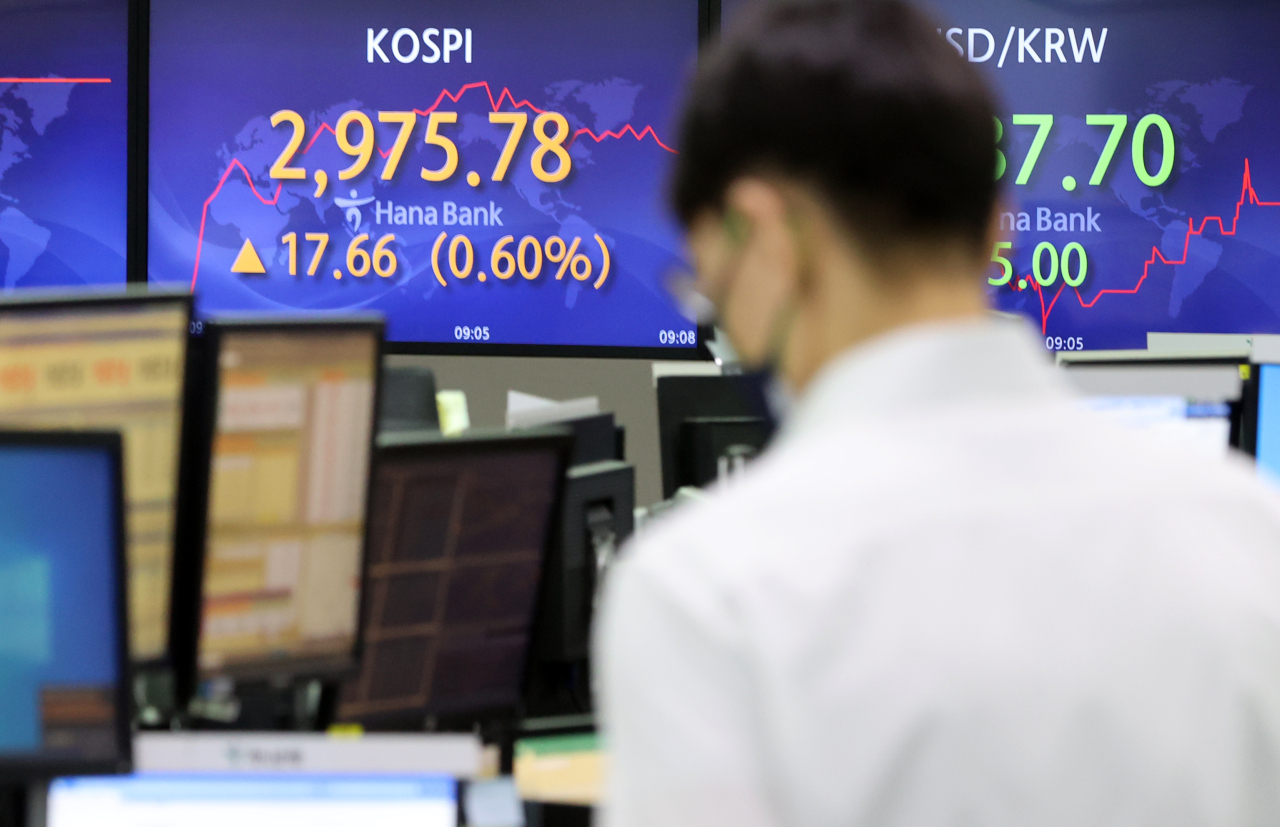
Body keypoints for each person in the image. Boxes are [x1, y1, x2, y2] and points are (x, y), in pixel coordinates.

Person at [593, 1, 1280, 825]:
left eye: (710, 279)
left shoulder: (711, 592)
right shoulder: (1243, 529)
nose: (725, 319)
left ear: (770, 238)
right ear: (999, 227)